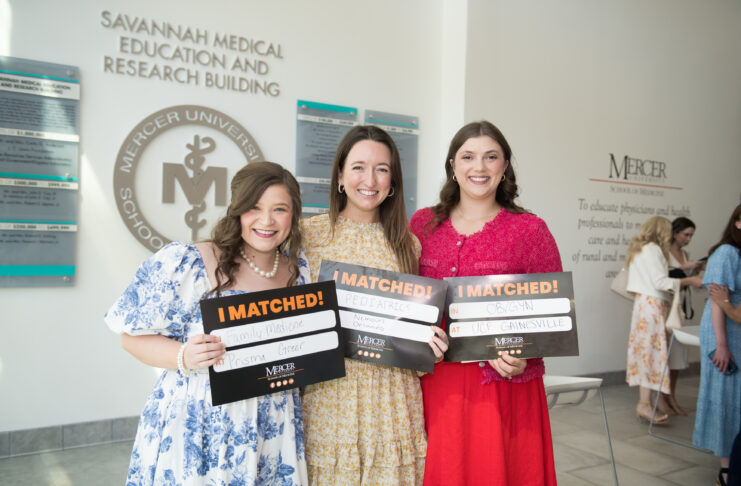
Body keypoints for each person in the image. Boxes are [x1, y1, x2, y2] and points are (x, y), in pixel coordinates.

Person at [105, 162, 310, 485]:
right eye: (255, 207)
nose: (266, 221)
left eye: (279, 209)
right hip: (199, 425)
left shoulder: (300, 273)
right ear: (237, 211)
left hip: (272, 426)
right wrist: (182, 356)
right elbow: (129, 337)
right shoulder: (192, 263)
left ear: (294, 215)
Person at [409, 120, 561, 486]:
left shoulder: (530, 230)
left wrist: (524, 357)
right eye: (468, 156)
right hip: (436, 384)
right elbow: (407, 295)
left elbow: (552, 315)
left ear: (504, 166)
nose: (479, 167)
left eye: (491, 157)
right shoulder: (422, 224)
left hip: (502, 388)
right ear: (452, 165)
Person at [300, 125, 448, 485]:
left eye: (382, 169)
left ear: (393, 180)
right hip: (330, 397)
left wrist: (430, 346)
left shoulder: (408, 245)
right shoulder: (307, 236)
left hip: (392, 399)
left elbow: (414, 322)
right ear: (339, 176)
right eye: (358, 167)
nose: (370, 179)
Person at [625, 216, 703, 425]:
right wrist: (690, 279)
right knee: (651, 354)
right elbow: (660, 281)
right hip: (652, 307)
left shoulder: (641, 249)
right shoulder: (654, 249)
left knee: (646, 354)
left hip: (644, 305)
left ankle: (647, 403)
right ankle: (645, 404)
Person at [693, 204, 741, 486]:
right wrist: (722, 345)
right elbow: (715, 301)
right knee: (727, 394)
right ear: (737, 222)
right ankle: (726, 469)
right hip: (723, 331)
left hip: (736, 327)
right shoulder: (725, 253)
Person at [665, 216, 705, 415]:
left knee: (679, 356)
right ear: (675, 232)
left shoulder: (685, 254)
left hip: (682, 307)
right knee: (666, 353)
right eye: (685, 234)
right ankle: (663, 397)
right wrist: (686, 274)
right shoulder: (664, 254)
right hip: (668, 307)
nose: (688, 239)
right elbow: (662, 280)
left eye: (691, 235)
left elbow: (690, 285)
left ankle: (672, 394)